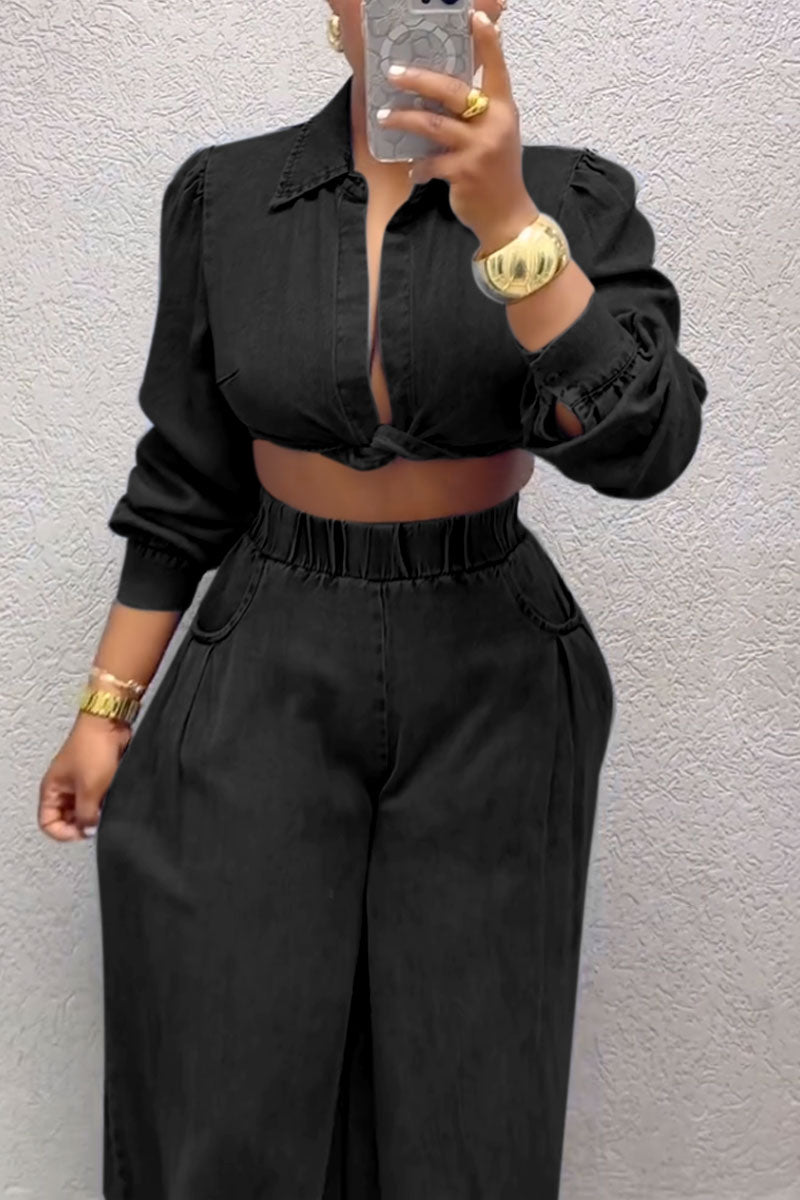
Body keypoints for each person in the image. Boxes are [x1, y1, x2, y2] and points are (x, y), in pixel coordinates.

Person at [38, 1, 707, 1196]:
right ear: (334, 9)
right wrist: (106, 708)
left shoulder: (574, 200)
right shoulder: (225, 199)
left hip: (491, 660)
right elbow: (187, 472)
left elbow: (645, 447)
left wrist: (507, 220)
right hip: (268, 643)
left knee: (470, 1094)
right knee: (225, 1073)